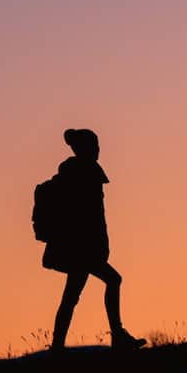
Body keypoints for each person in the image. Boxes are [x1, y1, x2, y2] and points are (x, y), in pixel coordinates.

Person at [36, 129, 144, 352]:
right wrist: (96, 245)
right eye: (94, 146)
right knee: (112, 280)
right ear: (85, 148)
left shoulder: (77, 172)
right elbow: (88, 216)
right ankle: (117, 335)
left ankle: (58, 345)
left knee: (72, 296)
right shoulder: (83, 173)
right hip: (82, 248)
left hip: (81, 248)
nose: (97, 150)